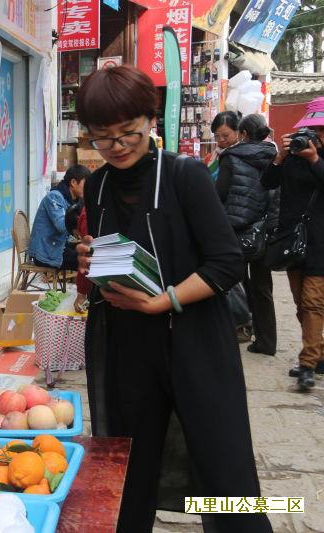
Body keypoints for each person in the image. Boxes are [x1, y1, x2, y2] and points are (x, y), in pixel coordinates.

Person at [75, 66, 269, 532]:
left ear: (151, 120)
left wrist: (164, 301)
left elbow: (227, 264)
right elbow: (117, 255)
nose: (118, 147)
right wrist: (92, 264)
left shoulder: (186, 176)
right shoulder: (98, 187)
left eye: (130, 133)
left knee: (223, 464)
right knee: (129, 461)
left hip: (195, 340)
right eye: (104, 138)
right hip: (127, 345)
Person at [261, 96, 324, 389]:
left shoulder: (314, 159)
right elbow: (268, 183)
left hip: (321, 244)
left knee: (313, 302)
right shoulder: (293, 157)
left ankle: (308, 363)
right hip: (293, 242)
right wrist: (280, 158)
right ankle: (318, 354)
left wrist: (315, 160)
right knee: (301, 303)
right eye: (315, 130)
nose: (318, 136)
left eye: (322, 131)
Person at [217, 113, 278, 355]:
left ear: (242, 134)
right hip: (263, 230)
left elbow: (219, 194)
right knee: (262, 287)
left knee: (230, 283)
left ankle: (236, 330)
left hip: (236, 230)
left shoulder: (231, 157)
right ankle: (267, 342)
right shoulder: (275, 156)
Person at [29, 165, 89, 268]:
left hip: (59, 246)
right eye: (86, 184)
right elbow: (62, 226)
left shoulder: (74, 200)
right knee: (88, 261)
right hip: (47, 252)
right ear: (74, 182)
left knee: (90, 251)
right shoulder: (54, 197)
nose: (88, 188)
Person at [208, 111, 240, 181]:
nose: (221, 139)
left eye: (226, 135)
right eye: (217, 136)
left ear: (237, 132)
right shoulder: (210, 158)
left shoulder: (244, 156)